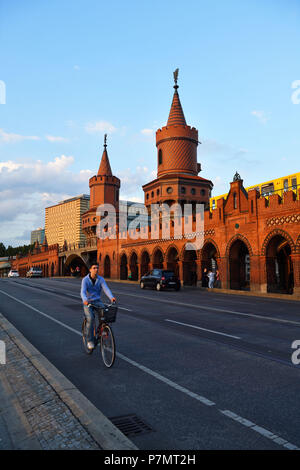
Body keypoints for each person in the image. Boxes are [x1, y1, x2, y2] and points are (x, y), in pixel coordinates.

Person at [81, 263, 116, 350]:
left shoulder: (100, 279)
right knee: (91, 318)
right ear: (90, 270)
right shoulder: (85, 280)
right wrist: (85, 300)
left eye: (97, 268)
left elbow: (106, 289)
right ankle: (89, 340)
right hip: (88, 303)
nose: (96, 269)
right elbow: (83, 291)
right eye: (94, 268)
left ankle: (102, 332)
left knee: (105, 314)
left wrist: (111, 297)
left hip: (97, 301)